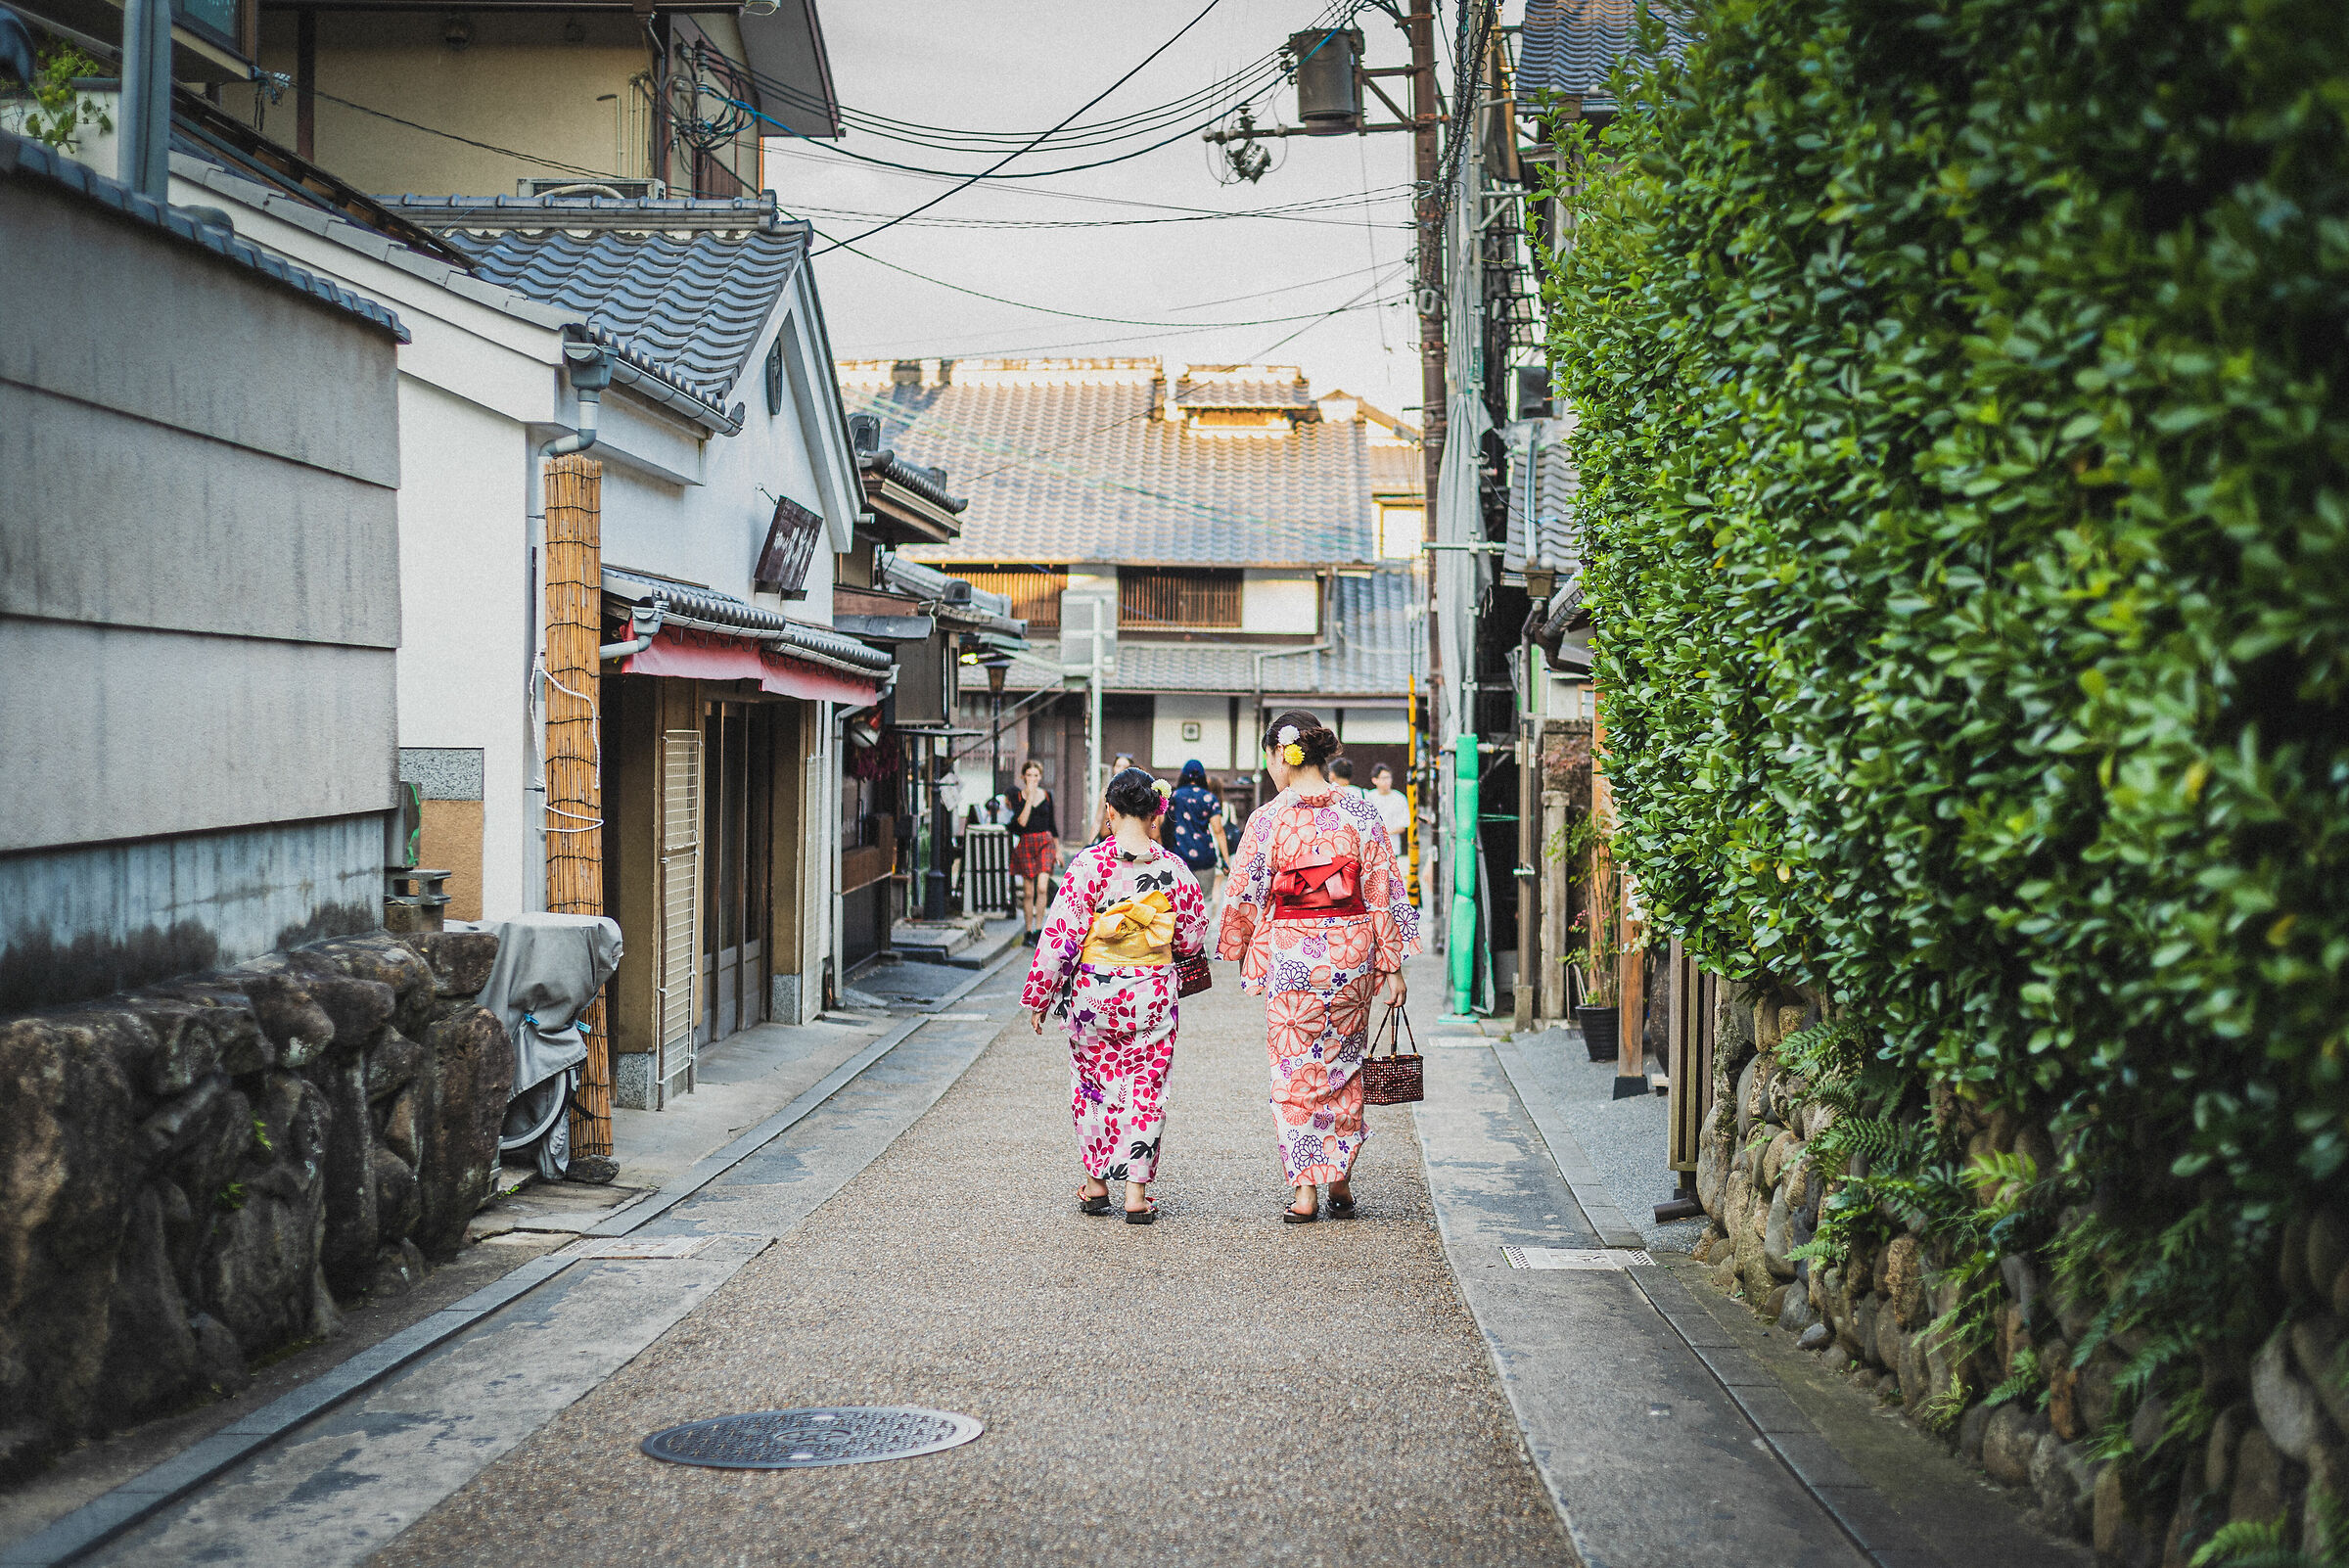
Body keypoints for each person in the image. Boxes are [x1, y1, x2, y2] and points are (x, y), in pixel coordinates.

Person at [1219, 712, 1418, 1222]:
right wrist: (1391, 965)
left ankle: (1305, 1192)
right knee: (1345, 1065)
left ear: (1280, 756)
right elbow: (1381, 889)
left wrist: (1237, 942)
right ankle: (1341, 1181)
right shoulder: (1362, 811)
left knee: (1294, 1071)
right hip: (1353, 955)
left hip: (1293, 957)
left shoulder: (1269, 818)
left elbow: (1246, 890)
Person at [1022, 767, 1208, 1224]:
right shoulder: (1172, 868)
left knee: (1092, 1087)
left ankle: (1095, 1185)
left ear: (1109, 811)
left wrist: (1039, 995)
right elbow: (1191, 937)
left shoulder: (1088, 865)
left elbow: (1061, 936)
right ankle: (1137, 1193)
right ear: (1154, 814)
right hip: (1151, 992)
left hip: (1093, 995)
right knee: (1146, 1086)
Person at [1011, 759, 1059, 943]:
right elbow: (1021, 822)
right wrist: (1029, 797)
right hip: (1026, 842)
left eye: (1036, 775)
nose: (1032, 778)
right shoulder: (1017, 797)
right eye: (1029, 775)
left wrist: (1058, 850)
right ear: (1023, 776)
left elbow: (1052, 825)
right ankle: (1028, 931)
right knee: (1028, 891)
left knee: (1042, 887)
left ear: (1041, 777)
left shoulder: (1047, 796)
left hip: (1045, 841)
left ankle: (1040, 929)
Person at [1164, 760, 1223, 892]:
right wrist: (1226, 859)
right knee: (1205, 899)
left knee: (1180, 899)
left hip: (1180, 856)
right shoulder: (1209, 798)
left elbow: (1165, 826)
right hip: (1205, 856)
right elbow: (1218, 830)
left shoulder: (1175, 796)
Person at [1368, 761, 1410, 862]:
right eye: (1383, 778)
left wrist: (1385, 834)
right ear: (1375, 780)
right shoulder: (1369, 797)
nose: (1387, 781)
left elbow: (1403, 825)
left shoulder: (1399, 798)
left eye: (1389, 778)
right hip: (1372, 848)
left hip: (1393, 847)